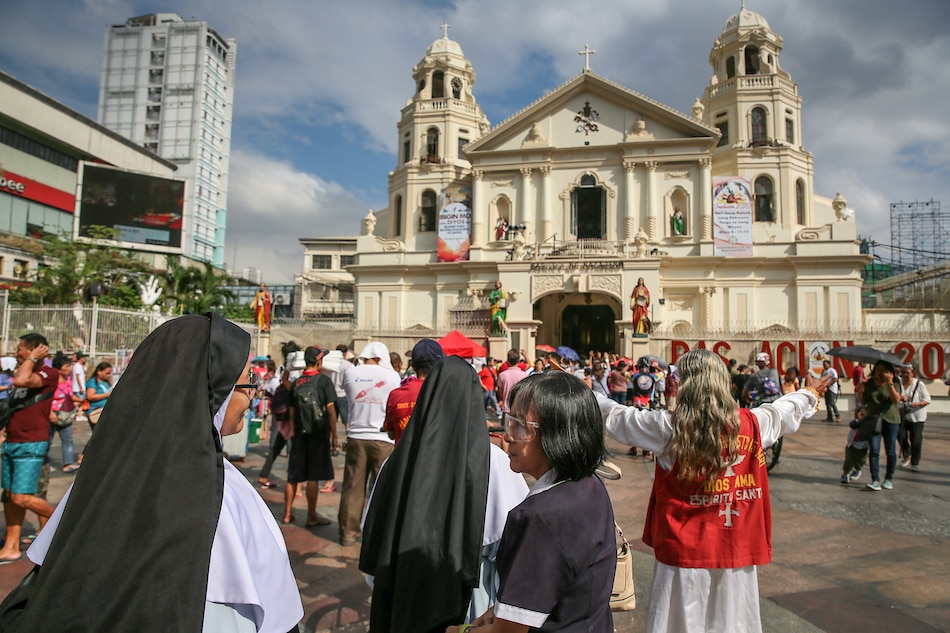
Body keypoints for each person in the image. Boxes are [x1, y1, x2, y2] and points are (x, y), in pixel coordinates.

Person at [0, 314, 303, 632]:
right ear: (213, 393)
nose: (253, 395)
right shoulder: (212, 492)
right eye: (247, 384)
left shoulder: (107, 469)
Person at [597, 348, 828, 632]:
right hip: (735, 546)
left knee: (680, 622)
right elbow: (784, 410)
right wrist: (809, 394)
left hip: (684, 550)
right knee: (733, 620)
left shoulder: (669, 428)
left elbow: (616, 417)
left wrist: (581, 394)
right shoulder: (752, 424)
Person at [362, 356, 529, 633]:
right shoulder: (494, 462)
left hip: (399, 594)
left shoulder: (396, 461)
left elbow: (375, 535)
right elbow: (516, 543)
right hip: (467, 596)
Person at [446, 370, 615, 633]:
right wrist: (500, 611)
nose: (507, 435)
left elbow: (507, 632)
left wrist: (461, 631)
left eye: (521, 426)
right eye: (509, 421)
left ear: (557, 433)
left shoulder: (538, 517)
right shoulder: (589, 484)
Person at [0, 334, 56, 564]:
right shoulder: (23, 370)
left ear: (37, 350)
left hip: (31, 443)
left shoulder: (47, 374)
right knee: (10, 498)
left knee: (21, 498)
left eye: (20, 349)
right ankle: (10, 547)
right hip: (12, 440)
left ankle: (62, 525)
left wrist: (31, 358)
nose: (16, 353)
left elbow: (21, 381)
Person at [339, 342, 400, 546]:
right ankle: (381, 535)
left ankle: (348, 533)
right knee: (383, 489)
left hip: (356, 436)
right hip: (382, 438)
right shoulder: (392, 376)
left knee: (352, 488)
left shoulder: (350, 373)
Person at [283, 345, 338, 527]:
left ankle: (287, 513)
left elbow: (291, 413)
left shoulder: (297, 382)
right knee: (313, 476)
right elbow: (330, 411)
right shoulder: (324, 382)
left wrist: (293, 432)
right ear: (319, 362)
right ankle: (311, 515)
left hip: (299, 435)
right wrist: (334, 435)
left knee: (293, 476)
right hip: (317, 434)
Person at [384, 339, 444, 444]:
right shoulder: (446, 392)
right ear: (440, 366)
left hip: (404, 459)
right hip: (436, 458)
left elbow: (391, 433)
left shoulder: (396, 395)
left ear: (412, 365)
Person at [863, 360, 902, 491]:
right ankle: (875, 480)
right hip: (874, 419)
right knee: (874, 450)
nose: (881, 372)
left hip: (891, 419)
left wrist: (890, 383)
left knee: (890, 451)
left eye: (884, 370)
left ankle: (889, 478)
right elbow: (864, 401)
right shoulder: (869, 384)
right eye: (878, 369)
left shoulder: (895, 383)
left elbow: (896, 400)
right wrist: (859, 390)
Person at [48, 353, 80, 474]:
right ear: (58, 367)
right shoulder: (52, 382)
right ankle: (45, 464)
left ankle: (68, 464)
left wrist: (80, 400)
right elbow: (47, 399)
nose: (69, 369)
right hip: (52, 413)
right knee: (48, 440)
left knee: (68, 440)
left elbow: (70, 395)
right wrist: (50, 413)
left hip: (66, 414)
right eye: (66, 366)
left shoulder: (68, 380)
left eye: (69, 366)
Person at [898, 364, 930, 471]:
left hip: (917, 416)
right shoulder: (898, 383)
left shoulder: (919, 384)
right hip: (902, 413)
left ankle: (915, 462)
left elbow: (927, 400)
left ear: (912, 373)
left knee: (916, 439)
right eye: (903, 373)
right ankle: (907, 453)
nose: (905, 375)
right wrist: (900, 398)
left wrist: (917, 404)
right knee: (900, 434)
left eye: (907, 372)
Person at [80, 361, 112, 464]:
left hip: (104, 411)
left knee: (103, 434)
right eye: (107, 373)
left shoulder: (106, 382)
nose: (109, 375)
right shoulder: (93, 382)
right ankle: (83, 455)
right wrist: (106, 395)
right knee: (97, 434)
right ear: (99, 371)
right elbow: (90, 396)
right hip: (95, 412)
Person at [496, 349, 528, 424]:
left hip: (507, 408)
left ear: (508, 360)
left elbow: (500, 392)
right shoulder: (524, 375)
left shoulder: (502, 375)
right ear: (519, 360)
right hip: (520, 408)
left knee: (506, 432)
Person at [840, 406, 870, 484]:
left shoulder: (869, 424)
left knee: (861, 461)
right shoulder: (855, 422)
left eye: (864, 412)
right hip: (852, 445)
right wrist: (860, 420)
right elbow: (853, 425)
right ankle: (845, 474)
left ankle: (857, 470)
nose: (862, 413)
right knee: (848, 461)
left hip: (863, 447)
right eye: (861, 412)